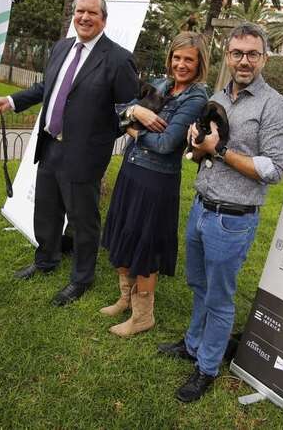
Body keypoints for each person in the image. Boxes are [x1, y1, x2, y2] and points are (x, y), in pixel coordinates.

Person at [157, 22, 283, 402]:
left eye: (252, 53)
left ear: (265, 57)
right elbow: (205, 150)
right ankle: (192, 344)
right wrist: (197, 145)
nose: (244, 60)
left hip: (233, 220)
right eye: (237, 53)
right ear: (228, 56)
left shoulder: (274, 105)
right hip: (202, 208)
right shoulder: (219, 94)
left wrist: (218, 151)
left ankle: (206, 367)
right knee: (199, 287)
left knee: (219, 298)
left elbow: (272, 169)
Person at [0, 0, 138, 306]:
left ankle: (82, 278)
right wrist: (12, 101)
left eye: (91, 13)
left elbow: (128, 107)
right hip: (50, 145)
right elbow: (47, 87)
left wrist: (101, 140)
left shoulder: (119, 59)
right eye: (80, 11)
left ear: (103, 20)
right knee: (47, 210)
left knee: (83, 220)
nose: (84, 17)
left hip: (84, 156)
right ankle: (46, 259)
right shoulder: (62, 47)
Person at [100, 32, 209, 337]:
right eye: (177, 57)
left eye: (189, 59)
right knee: (124, 232)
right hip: (132, 171)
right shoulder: (161, 85)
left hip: (156, 182)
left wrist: (133, 130)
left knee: (145, 244)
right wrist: (136, 111)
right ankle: (125, 298)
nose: (181, 64)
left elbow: (165, 144)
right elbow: (119, 111)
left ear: (200, 62)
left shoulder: (196, 97)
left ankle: (143, 315)